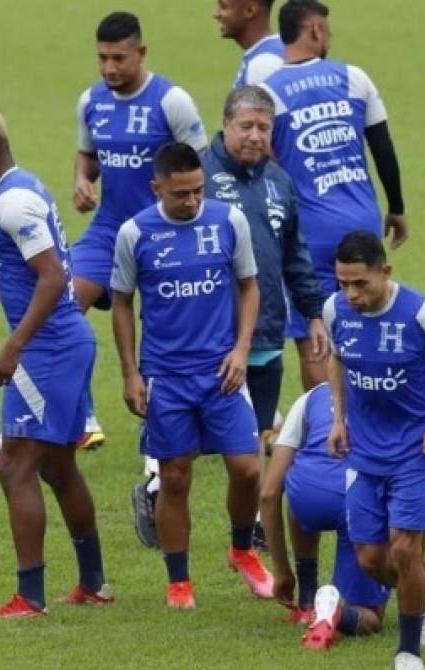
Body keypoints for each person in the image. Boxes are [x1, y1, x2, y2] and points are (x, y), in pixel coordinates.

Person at [130, 86, 328, 550]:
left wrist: (314, 313)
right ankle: (157, 487)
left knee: (253, 444)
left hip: (265, 336)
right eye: (247, 126)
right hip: (206, 342)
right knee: (190, 446)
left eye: (265, 127)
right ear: (225, 126)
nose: (256, 136)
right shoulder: (198, 177)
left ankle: (252, 530)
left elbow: (294, 255)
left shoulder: (280, 182)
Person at [0, 105, 112, 618]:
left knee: (15, 464)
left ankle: (30, 597)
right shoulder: (23, 187)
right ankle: (94, 585)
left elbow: (53, 277)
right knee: (59, 466)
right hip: (61, 344)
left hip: (49, 350)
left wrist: (13, 346)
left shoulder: (13, 203)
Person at [110, 142, 273, 608]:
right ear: (156, 188)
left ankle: (242, 550)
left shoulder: (228, 221)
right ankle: (179, 582)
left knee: (247, 469)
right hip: (166, 376)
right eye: (181, 194)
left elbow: (249, 286)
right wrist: (130, 373)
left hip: (221, 372)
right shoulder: (134, 234)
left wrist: (242, 350)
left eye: (198, 191)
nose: (192, 201)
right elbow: (121, 303)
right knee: (176, 477)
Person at [325, 231, 425, 670]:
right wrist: (339, 419)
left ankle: (409, 649)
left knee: (404, 551)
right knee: (370, 560)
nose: (351, 294)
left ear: (385, 272)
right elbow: (336, 358)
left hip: (415, 451)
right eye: (344, 284)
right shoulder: (335, 310)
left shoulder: (423, 313)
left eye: (361, 284)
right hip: (364, 451)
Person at [72, 11, 209, 448]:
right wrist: (81, 180)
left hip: (163, 233)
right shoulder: (91, 101)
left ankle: (183, 422)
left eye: (119, 58)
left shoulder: (172, 102)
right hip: (109, 229)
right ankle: (82, 419)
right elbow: (89, 157)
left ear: (141, 53)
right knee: (60, 308)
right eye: (102, 58)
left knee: (169, 332)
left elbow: (203, 169)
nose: (110, 68)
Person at [259, 0, 410, 390]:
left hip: (309, 232)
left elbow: (266, 166)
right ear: (314, 31)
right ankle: (370, 413)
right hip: (362, 223)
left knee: (315, 334)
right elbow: (383, 148)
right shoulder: (354, 77)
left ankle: (326, 432)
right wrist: (396, 207)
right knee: (365, 319)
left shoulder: (267, 92)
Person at [260, 382, 389, 650]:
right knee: (372, 615)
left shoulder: (311, 397)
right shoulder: (390, 390)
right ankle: (335, 613)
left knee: (300, 480)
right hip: (358, 499)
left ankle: (307, 602)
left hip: (309, 496)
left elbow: (269, 494)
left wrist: (282, 572)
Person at [213, 0, 284, 88]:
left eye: (223, 7)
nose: (215, 14)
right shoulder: (269, 51)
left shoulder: (264, 65)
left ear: (249, 11)